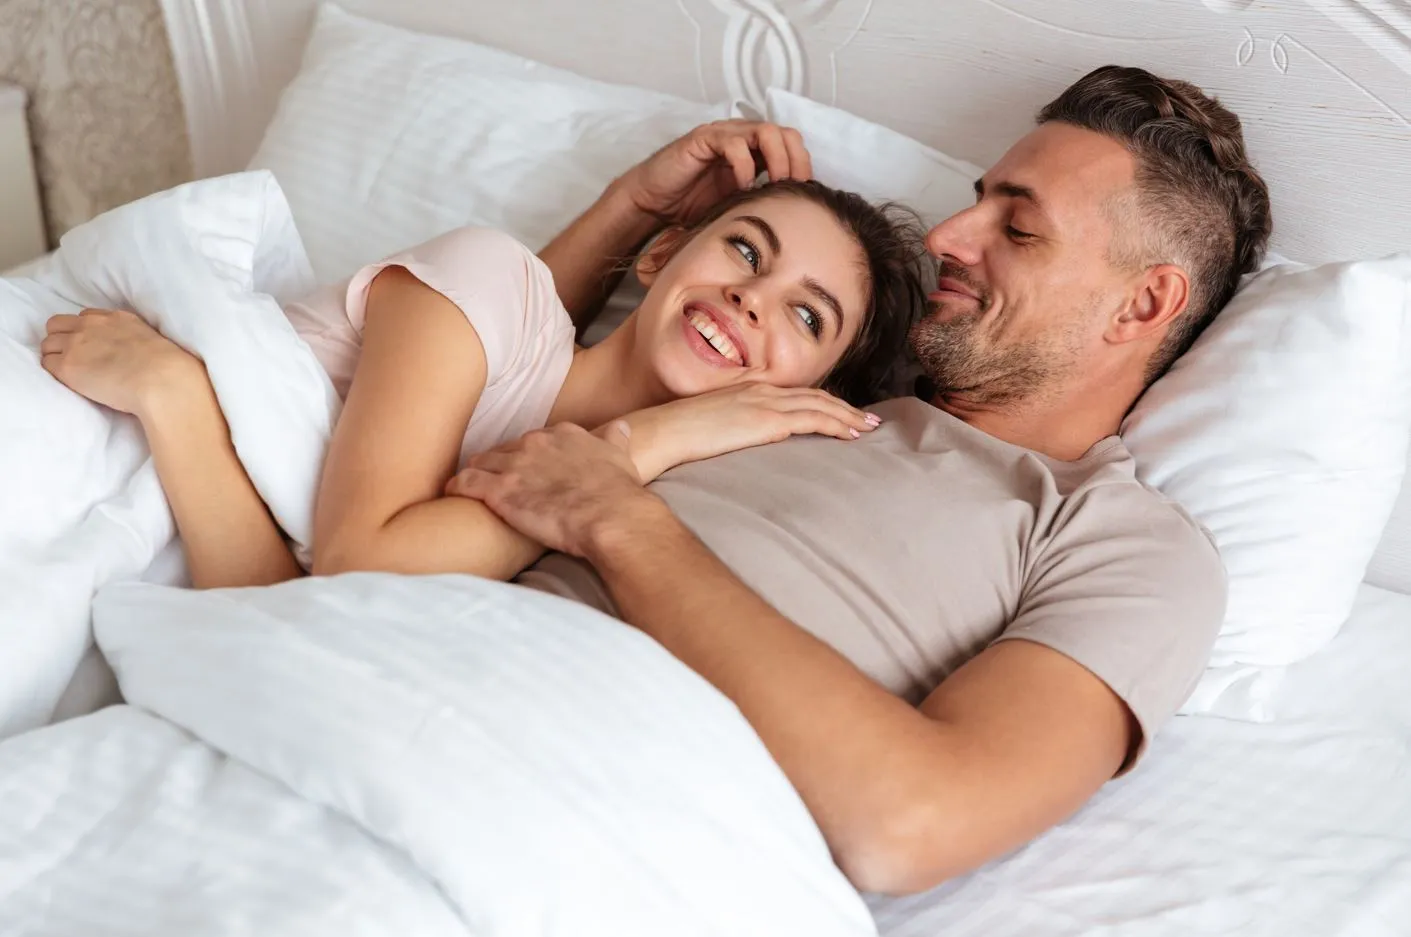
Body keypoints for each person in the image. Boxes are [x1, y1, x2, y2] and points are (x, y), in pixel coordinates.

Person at [446, 65, 1274, 895]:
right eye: (975, 199)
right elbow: (518, 374)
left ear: (1141, 305)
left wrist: (619, 521)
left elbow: (910, 825)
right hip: (413, 661)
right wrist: (634, 209)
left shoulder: (1125, 543)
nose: (947, 236)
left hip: (553, 809)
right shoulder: (791, 378)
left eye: (1016, 230)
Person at [38, 178, 931, 589]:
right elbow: (358, 564)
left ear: (808, 395)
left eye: (806, 317)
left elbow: (280, 612)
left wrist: (179, 403)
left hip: (152, 478)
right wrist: (643, 442)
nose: (750, 296)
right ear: (664, 254)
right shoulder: (492, 288)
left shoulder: (641, 531)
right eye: (744, 248)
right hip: (66, 416)